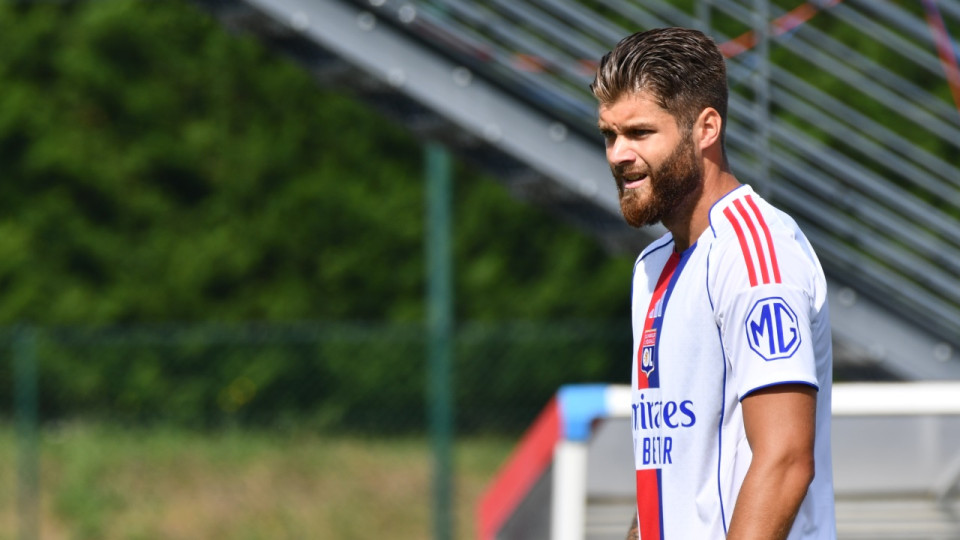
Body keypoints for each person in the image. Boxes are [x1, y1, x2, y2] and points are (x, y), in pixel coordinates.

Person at [591, 27, 835, 539]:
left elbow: (786, 459)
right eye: (610, 135)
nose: (617, 154)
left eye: (639, 133)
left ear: (706, 128)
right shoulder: (653, 265)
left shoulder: (754, 255)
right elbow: (671, 472)